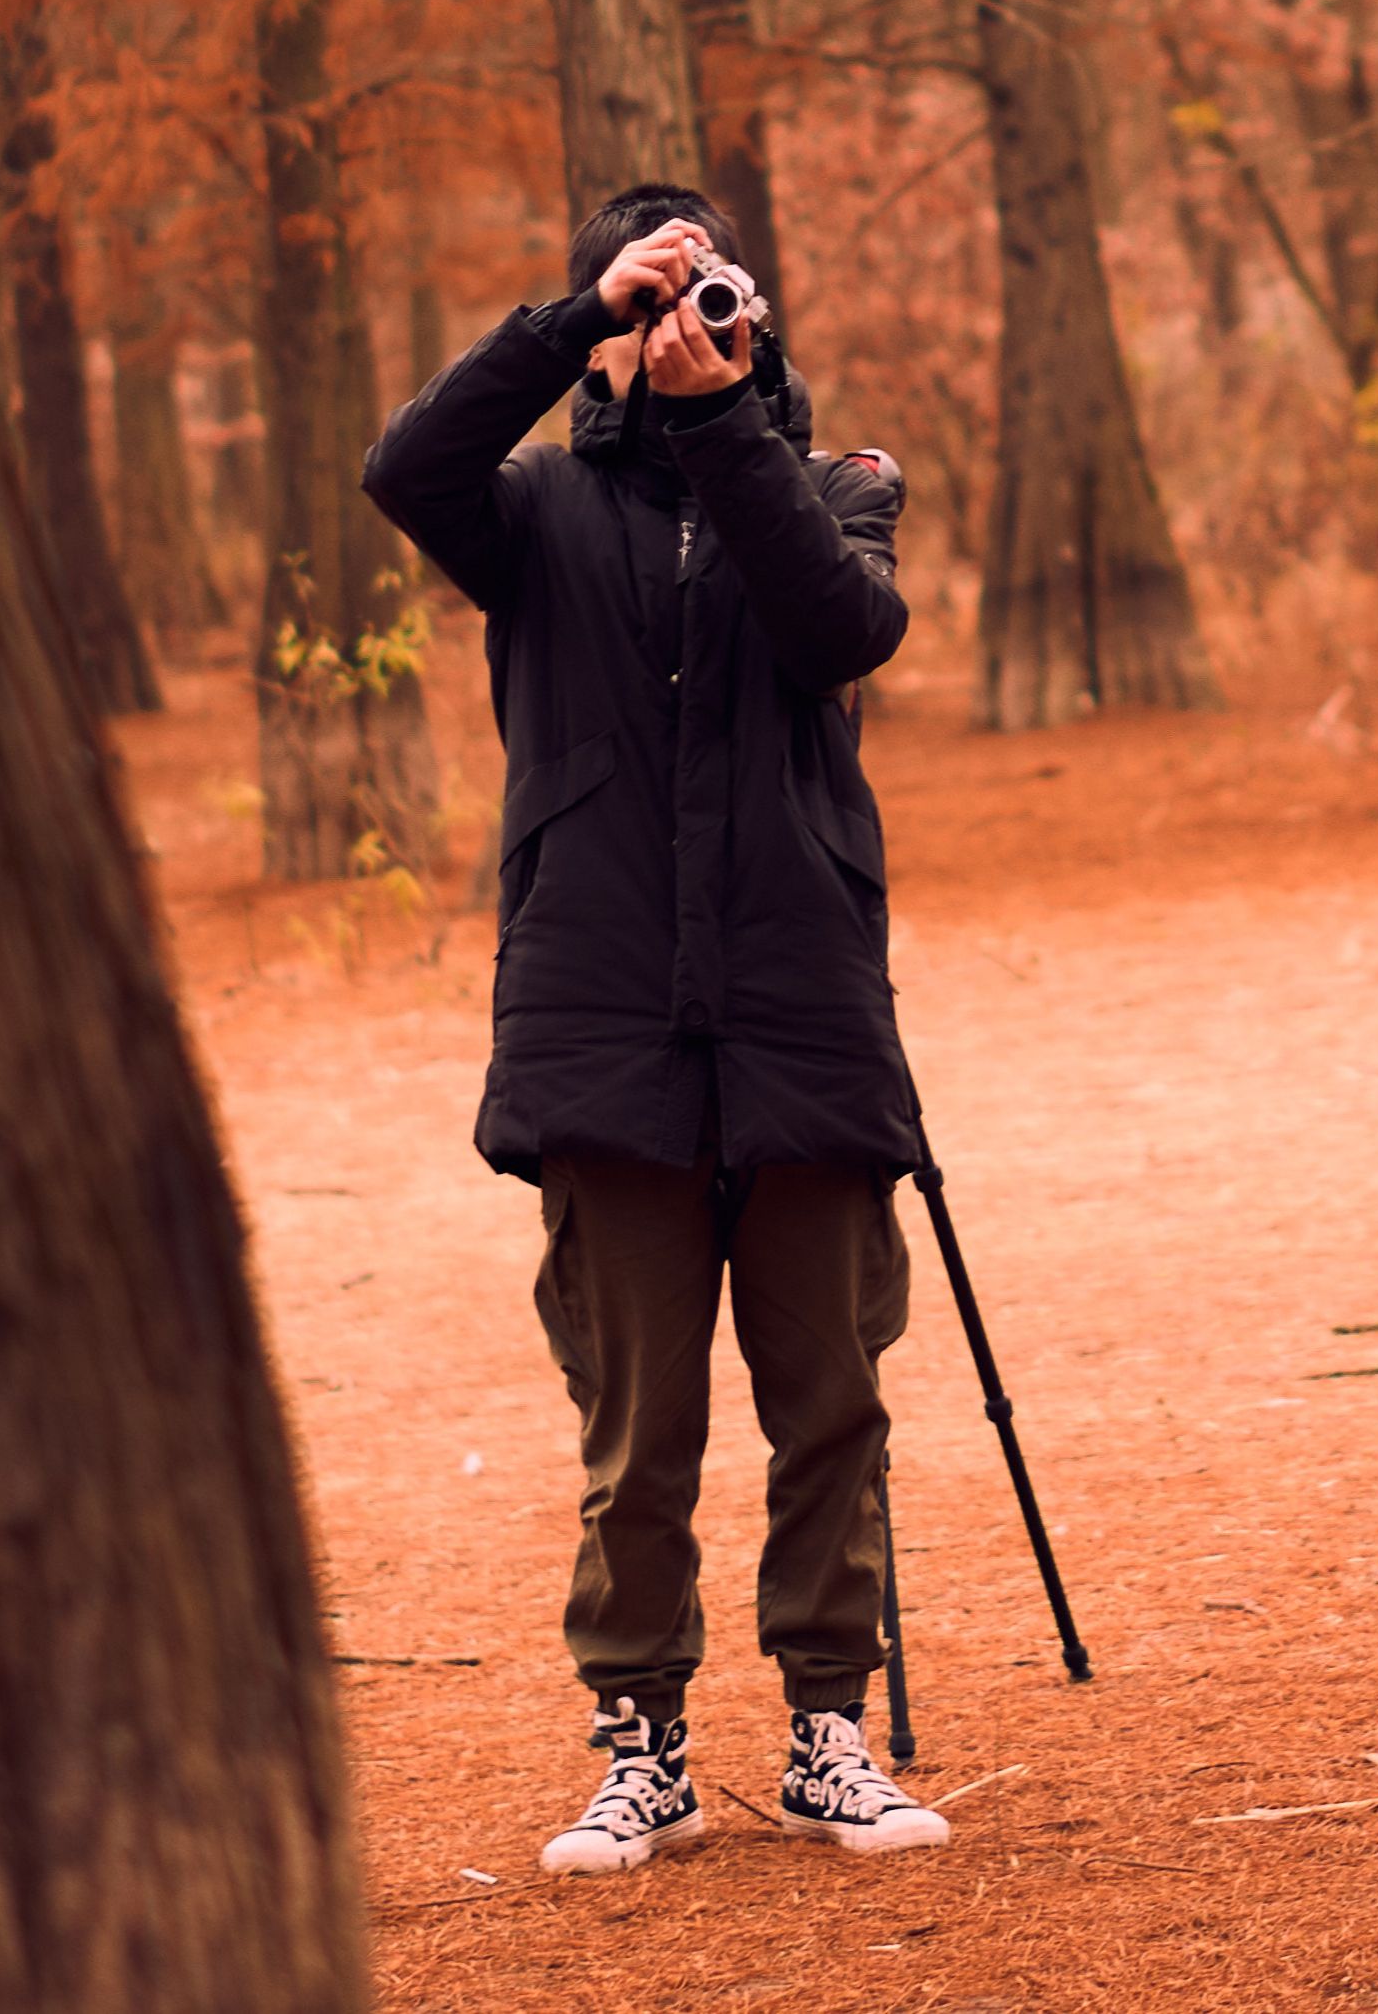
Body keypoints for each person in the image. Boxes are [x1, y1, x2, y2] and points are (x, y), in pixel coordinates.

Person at [361, 183, 948, 1874]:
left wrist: (721, 427)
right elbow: (404, 470)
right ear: (606, 324)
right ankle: (643, 1745)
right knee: (637, 1427)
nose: (682, 320)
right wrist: (575, 328)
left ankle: (831, 1733)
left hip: (800, 1012)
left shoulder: (837, 489)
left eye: (712, 291)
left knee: (827, 1400)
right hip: (600, 1012)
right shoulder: (532, 509)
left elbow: (842, 632)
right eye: (652, 296)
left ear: (759, 317)